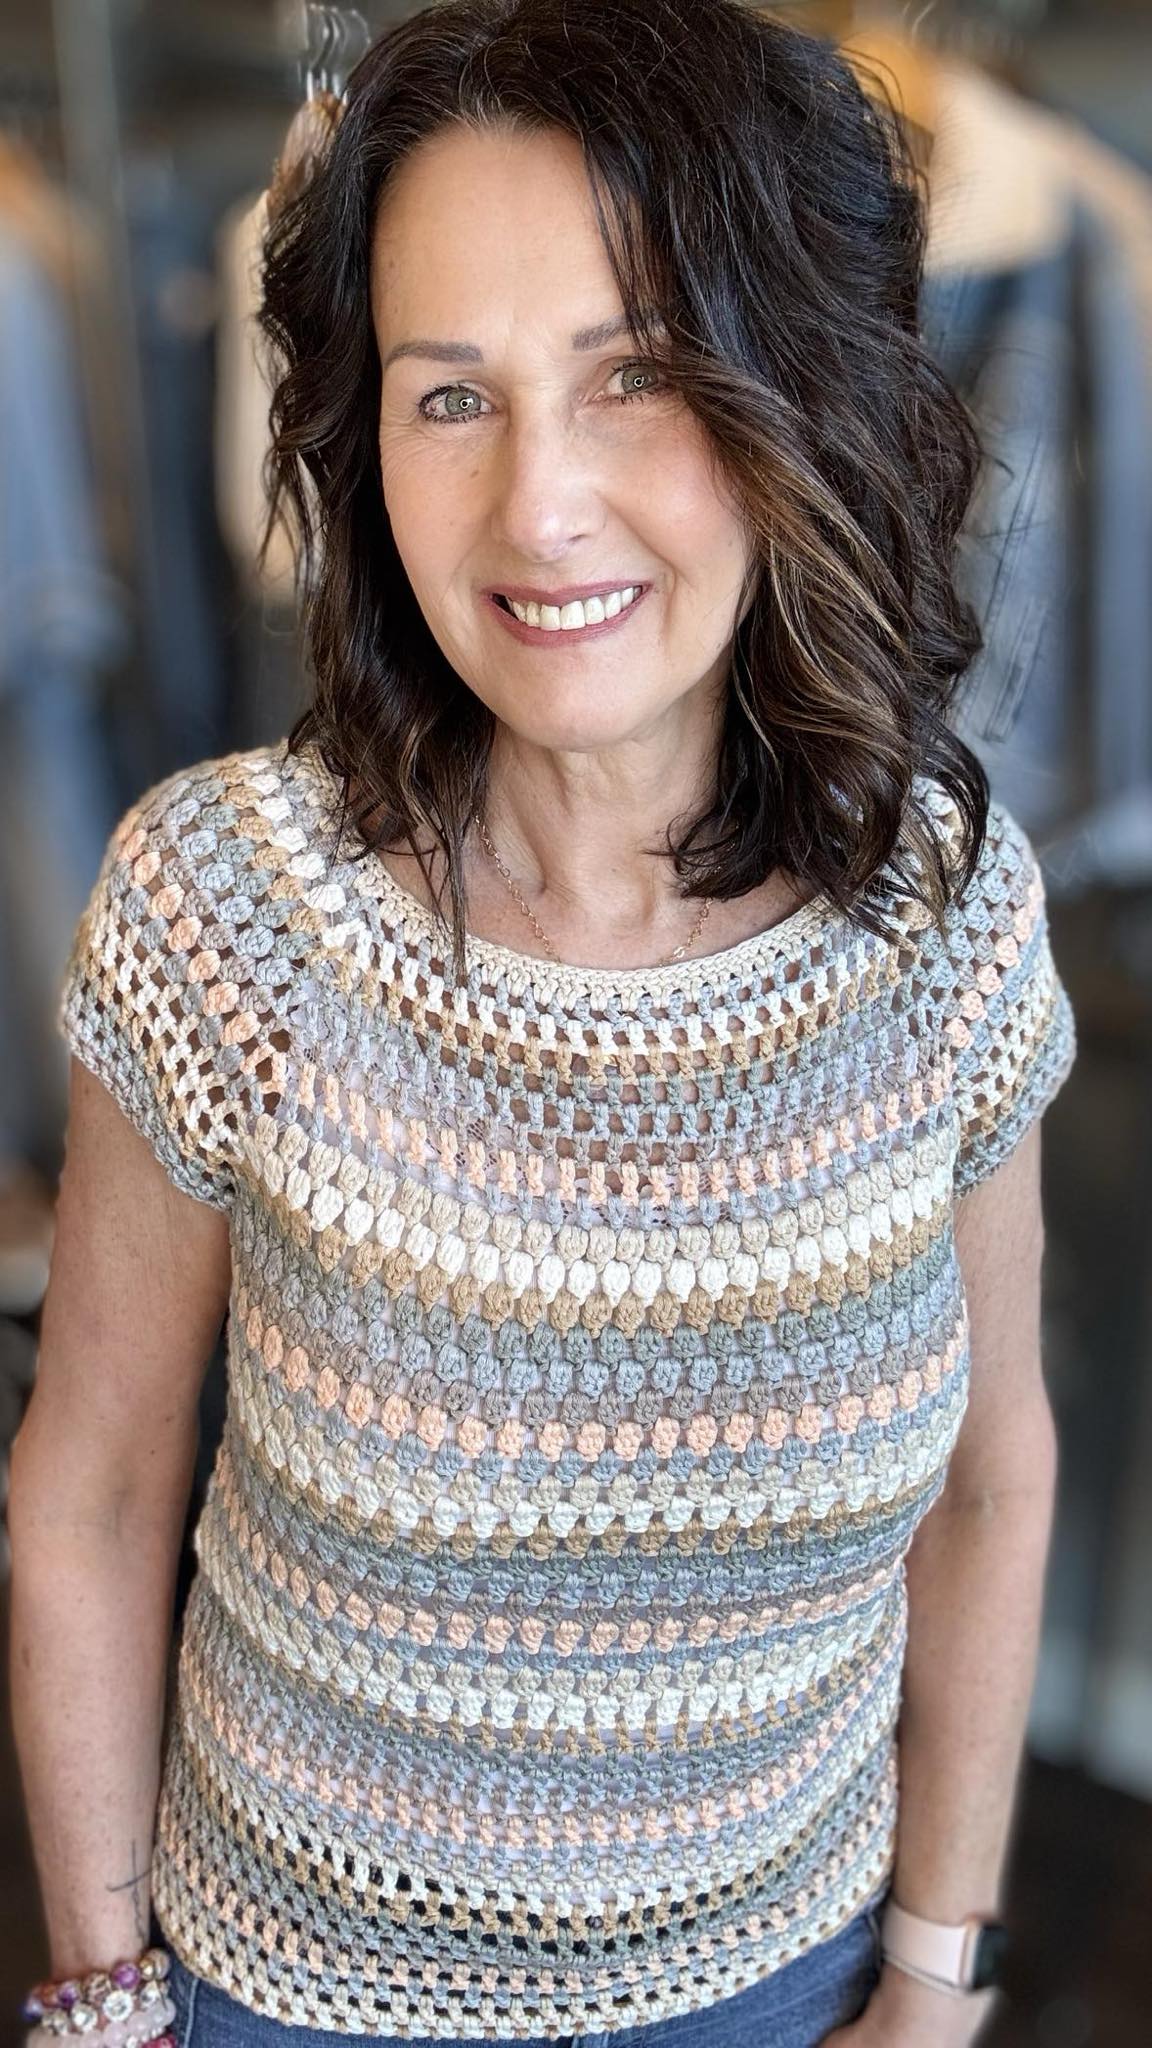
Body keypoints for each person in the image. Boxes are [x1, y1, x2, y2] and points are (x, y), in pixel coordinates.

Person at [10, 3, 1078, 2046]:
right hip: (291, 1996)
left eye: (636, 376)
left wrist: (939, 1975)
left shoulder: (941, 915)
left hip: (790, 1982)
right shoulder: (226, 906)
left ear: (793, 392)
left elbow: (992, 1478)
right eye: (450, 396)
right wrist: (102, 1999)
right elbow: (94, 1489)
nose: (540, 506)